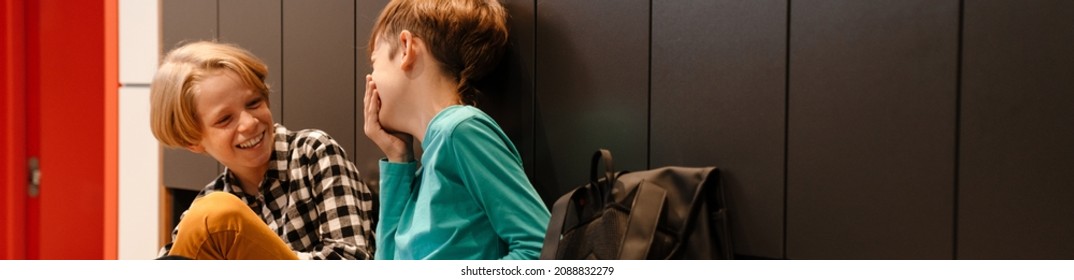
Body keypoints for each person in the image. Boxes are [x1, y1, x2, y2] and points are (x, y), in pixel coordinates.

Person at [149, 41, 376, 260]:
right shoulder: (207, 207)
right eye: (225, 119)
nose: (249, 123)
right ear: (193, 141)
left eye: (254, 103)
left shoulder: (314, 153)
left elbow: (350, 262)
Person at [362, 0, 550, 260]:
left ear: (406, 48)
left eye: (375, 62)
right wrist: (397, 158)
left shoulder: (460, 130)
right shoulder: (434, 152)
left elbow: (540, 249)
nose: (370, 79)